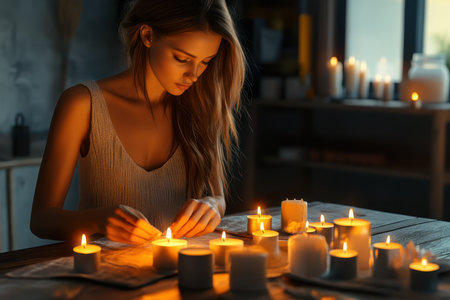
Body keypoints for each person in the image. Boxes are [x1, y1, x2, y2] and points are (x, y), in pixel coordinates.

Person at [30, 0, 246, 245]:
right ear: (147, 35)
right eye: (181, 58)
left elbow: (219, 199)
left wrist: (212, 206)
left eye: (205, 61)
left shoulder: (199, 108)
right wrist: (99, 220)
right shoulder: (82, 104)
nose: (194, 75)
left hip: (177, 272)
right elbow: (41, 219)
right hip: (102, 275)